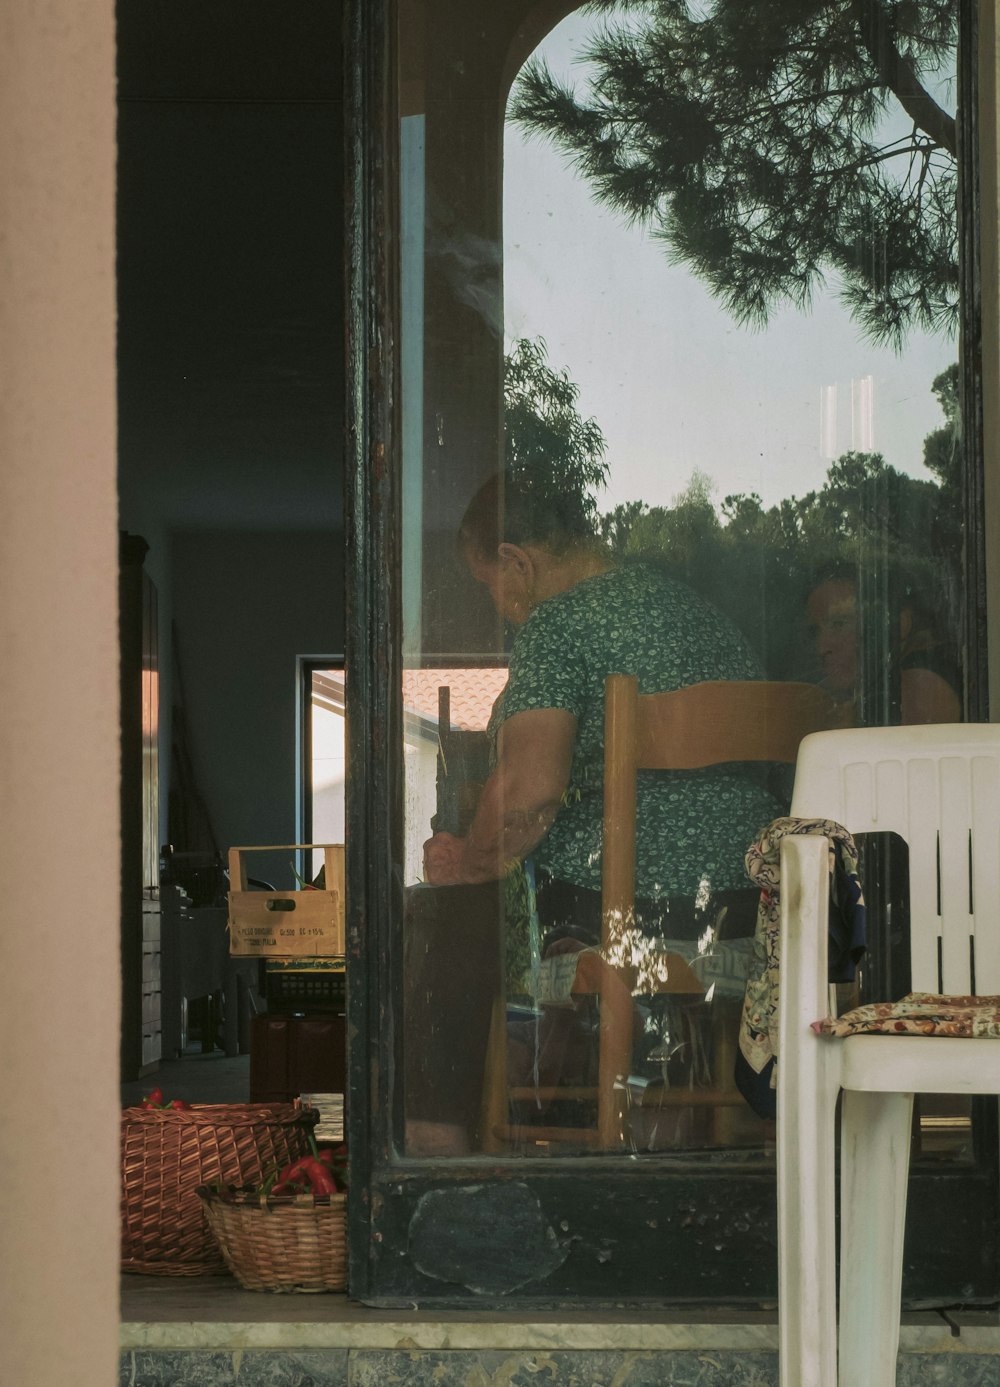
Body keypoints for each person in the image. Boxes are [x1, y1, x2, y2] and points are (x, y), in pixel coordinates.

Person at [423, 466, 783, 950]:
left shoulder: (556, 624)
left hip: (632, 916)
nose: (494, 601)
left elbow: (528, 791)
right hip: (759, 902)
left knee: (462, 933)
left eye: (487, 583)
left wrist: (469, 862)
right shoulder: (699, 612)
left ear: (516, 563)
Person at [805, 568, 961, 726]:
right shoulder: (871, 696)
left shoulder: (918, 684)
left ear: (896, 623)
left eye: (839, 624)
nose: (822, 648)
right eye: (814, 632)